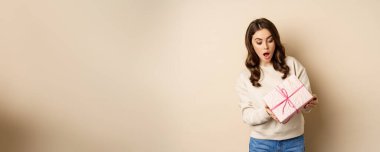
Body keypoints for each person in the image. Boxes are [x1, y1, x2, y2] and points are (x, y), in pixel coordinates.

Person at [235, 18, 319, 152]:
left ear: (276, 40)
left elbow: (305, 104)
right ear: (251, 44)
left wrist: (308, 103)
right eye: (259, 42)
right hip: (261, 144)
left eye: (270, 40)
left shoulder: (293, 64)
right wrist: (266, 112)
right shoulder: (245, 77)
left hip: (294, 142)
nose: (265, 47)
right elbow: (247, 116)